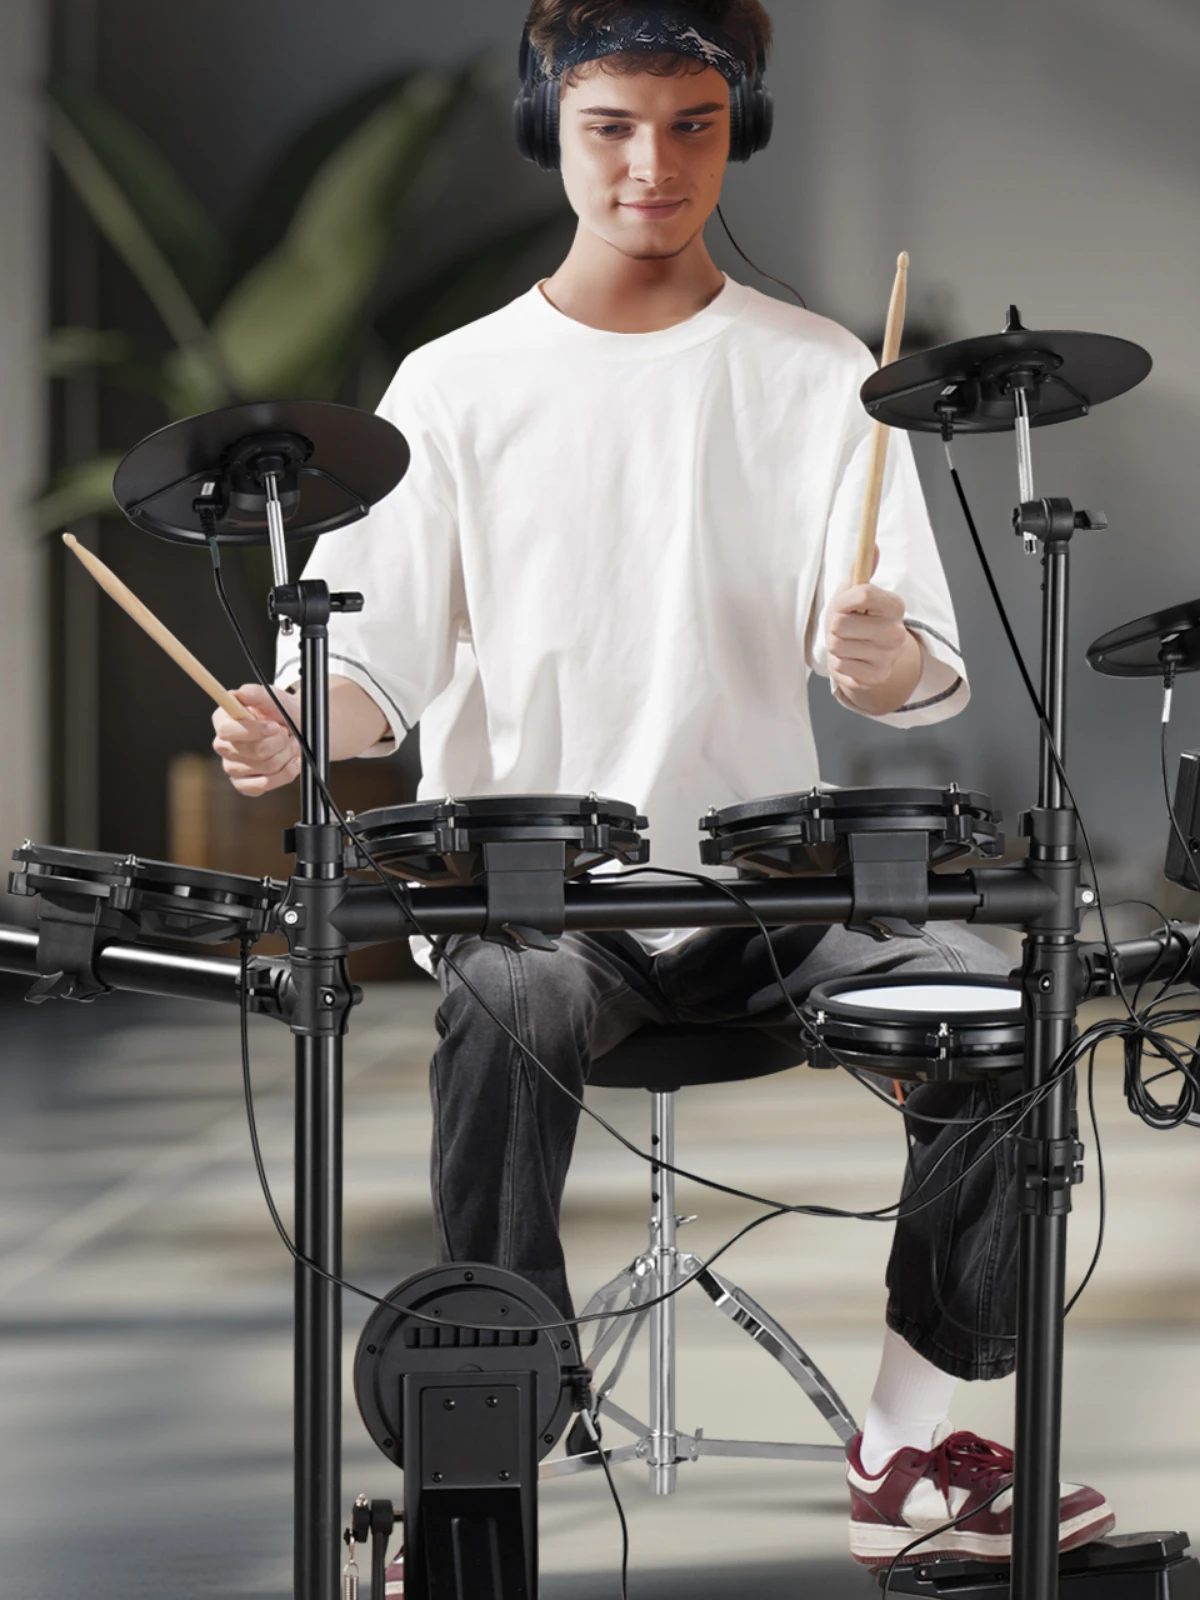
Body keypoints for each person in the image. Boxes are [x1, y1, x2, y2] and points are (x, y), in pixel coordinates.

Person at [211, 0, 1113, 1574]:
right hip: (543, 906)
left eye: (693, 124)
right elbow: (381, 673)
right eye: (610, 127)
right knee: (509, 1003)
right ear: (548, 132)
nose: (653, 163)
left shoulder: (821, 371)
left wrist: (882, 656)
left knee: (999, 1010)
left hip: (778, 898)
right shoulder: (454, 383)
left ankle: (910, 1436)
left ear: (737, 130)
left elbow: (909, 671)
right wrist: (300, 722)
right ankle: (488, 1451)